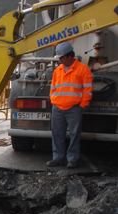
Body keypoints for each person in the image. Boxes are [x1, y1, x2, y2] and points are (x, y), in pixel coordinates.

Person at [46, 41, 93, 169]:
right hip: (58, 108)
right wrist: (53, 100)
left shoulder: (83, 70)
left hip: (74, 108)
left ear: (69, 56)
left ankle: (72, 159)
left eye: (61, 57)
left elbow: (87, 90)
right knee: (57, 134)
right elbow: (53, 88)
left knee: (74, 134)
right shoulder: (58, 70)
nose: (60, 60)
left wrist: (82, 105)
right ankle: (58, 158)